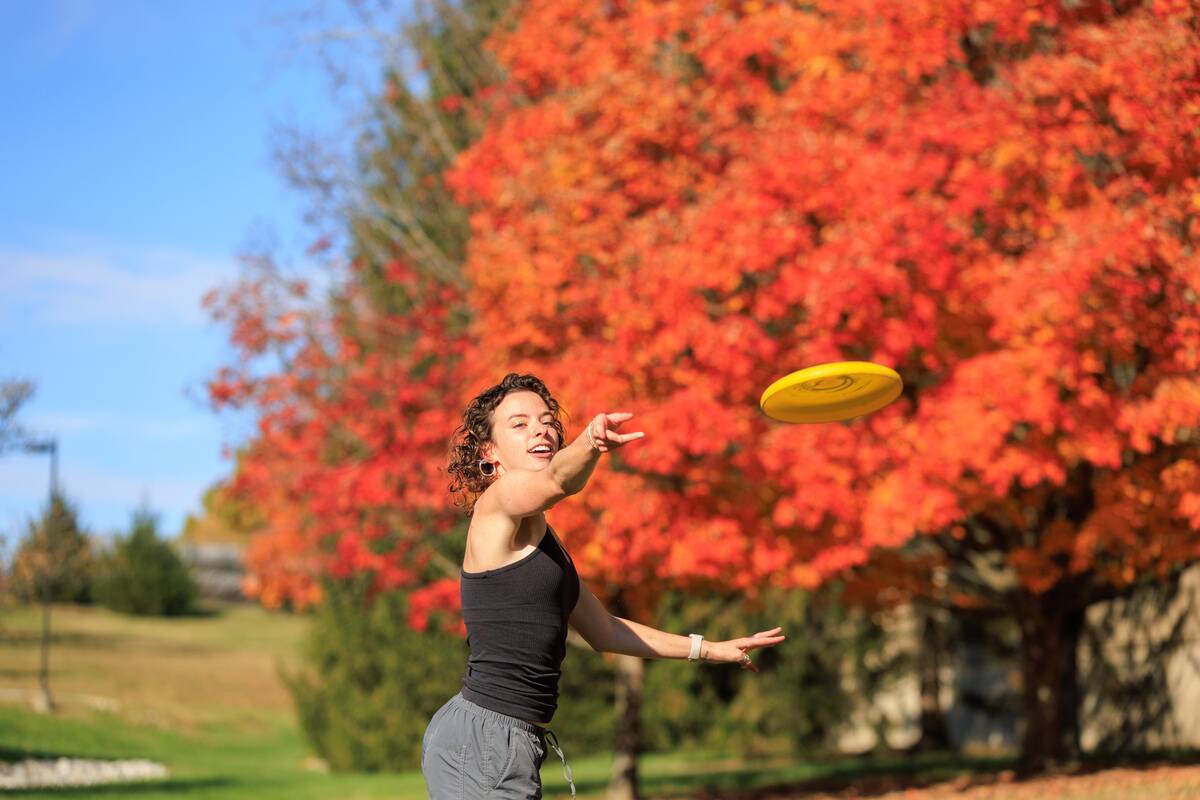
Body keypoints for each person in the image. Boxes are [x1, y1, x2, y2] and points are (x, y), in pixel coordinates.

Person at [421, 373, 787, 799]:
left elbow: (604, 630)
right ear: (489, 453)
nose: (540, 428)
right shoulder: (496, 504)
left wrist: (707, 648)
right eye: (519, 424)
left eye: (546, 419)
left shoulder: (546, 547)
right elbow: (559, 480)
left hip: (507, 739)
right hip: (482, 740)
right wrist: (591, 443)